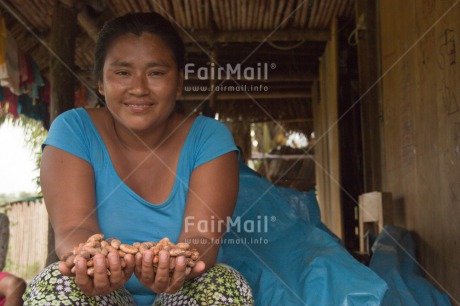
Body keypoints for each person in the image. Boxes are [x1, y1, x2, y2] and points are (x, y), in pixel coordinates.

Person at [23, 12, 253, 305]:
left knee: (225, 284)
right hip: (99, 294)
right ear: (101, 83)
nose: (139, 88)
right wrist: (95, 263)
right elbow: (74, 228)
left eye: (156, 72)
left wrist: (175, 265)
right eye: (122, 72)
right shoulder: (74, 130)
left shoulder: (209, 138)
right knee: (53, 285)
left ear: (179, 83)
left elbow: (202, 237)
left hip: (183, 291)